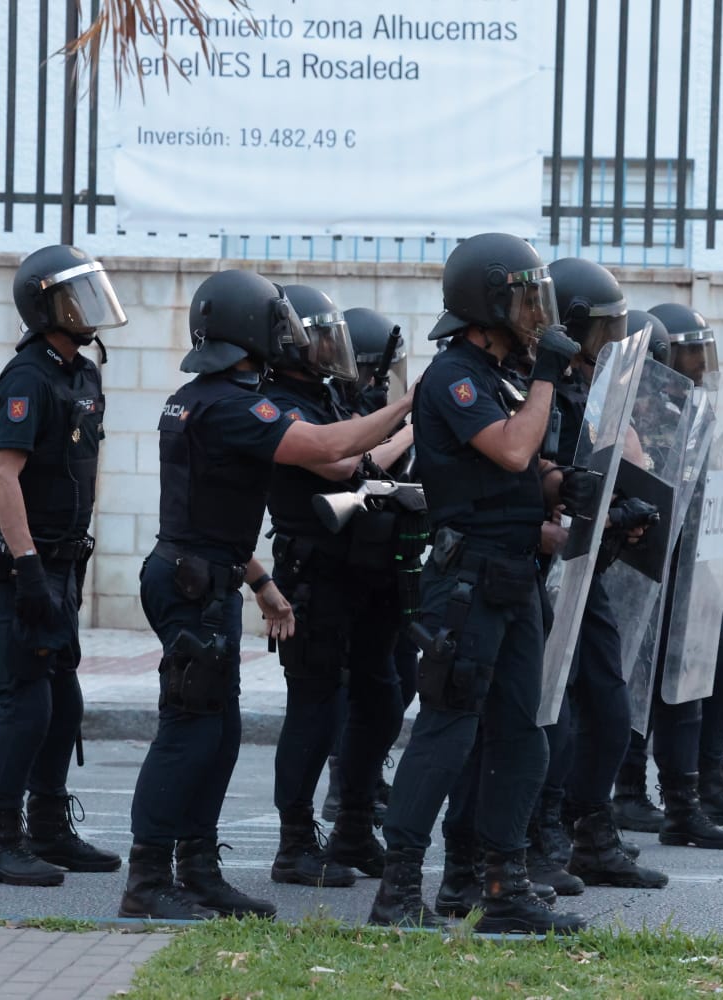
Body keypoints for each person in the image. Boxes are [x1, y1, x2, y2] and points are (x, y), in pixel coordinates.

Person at [119, 269, 415, 920]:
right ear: (250, 329)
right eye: (275, 323)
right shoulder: (232, 404)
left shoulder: (202, 397)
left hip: (207, 573)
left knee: (219, 734)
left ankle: (196, 871)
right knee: (189, 732)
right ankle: (147, 880)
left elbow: (218, 510)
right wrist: (407, 406)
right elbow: (330, 448)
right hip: (192, 582)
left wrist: (259, 582)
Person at [367, 233, 589, 935]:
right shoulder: (455, 376)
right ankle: (398, 890)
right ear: (486, 301)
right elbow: (513, 445)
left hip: (514, 576)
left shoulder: (504, 377)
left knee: (524, 737)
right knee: (447, 733)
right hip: (465, 583)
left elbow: (526, 468)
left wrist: (575, 485)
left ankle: (501, 885)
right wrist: (551, 376)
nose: (534, 311)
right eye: (523, 297)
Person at [0, 244, 128, 888]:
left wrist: (64, 568)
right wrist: (29, 566)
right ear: (45, 307)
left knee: (63, 704)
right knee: (26, 705)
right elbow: (3, 477)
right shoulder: (27, 378)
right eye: (76, 297)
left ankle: (47, 828)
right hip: (22, 568)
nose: (90, 309)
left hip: (64, 563)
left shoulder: (84, 375)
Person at [525, 258, 669, 895]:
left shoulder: (595, 389)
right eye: (603, 331)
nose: (611, 345)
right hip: (545, 571)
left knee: (609, 708)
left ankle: (592, 832)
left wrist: (624, 509)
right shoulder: (544, 387)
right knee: (551, 715)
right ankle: (543, 834)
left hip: (588, 570)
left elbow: (624, 462)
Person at [263, 285, 415, 889]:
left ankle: (353, 825)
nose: (333, 350)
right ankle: (295, 841)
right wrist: (414, 420)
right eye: (319, 338)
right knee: (315, 706)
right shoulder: (276, 404)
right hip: (315, 574)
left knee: (383, 696)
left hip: (367, 571)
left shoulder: (326, 396)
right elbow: (348, 463)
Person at [610, 303, 723, 845]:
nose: (699, 365)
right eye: (689, 353)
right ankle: (633, 795)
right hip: (644, 570)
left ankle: (705, 787)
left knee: (717, 676)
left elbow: (692, 487)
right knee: (639, 689)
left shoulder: (690, 407)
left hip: (690, 567)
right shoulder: (634, 409)